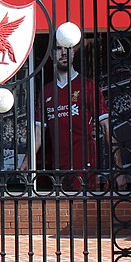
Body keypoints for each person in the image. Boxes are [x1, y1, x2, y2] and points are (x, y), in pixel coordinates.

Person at [23, 44, 109, 191]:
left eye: (67, 48)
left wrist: (119, 169)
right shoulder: (46, 92)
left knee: (86, 209)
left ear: (74, 52)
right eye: (58, 49)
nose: (63, 53)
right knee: (61, 209)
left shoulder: (88, 87)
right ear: (51, 55)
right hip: (59, 167)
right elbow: (38, 134)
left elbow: (106, 128)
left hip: (85, 165)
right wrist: (26, 162)